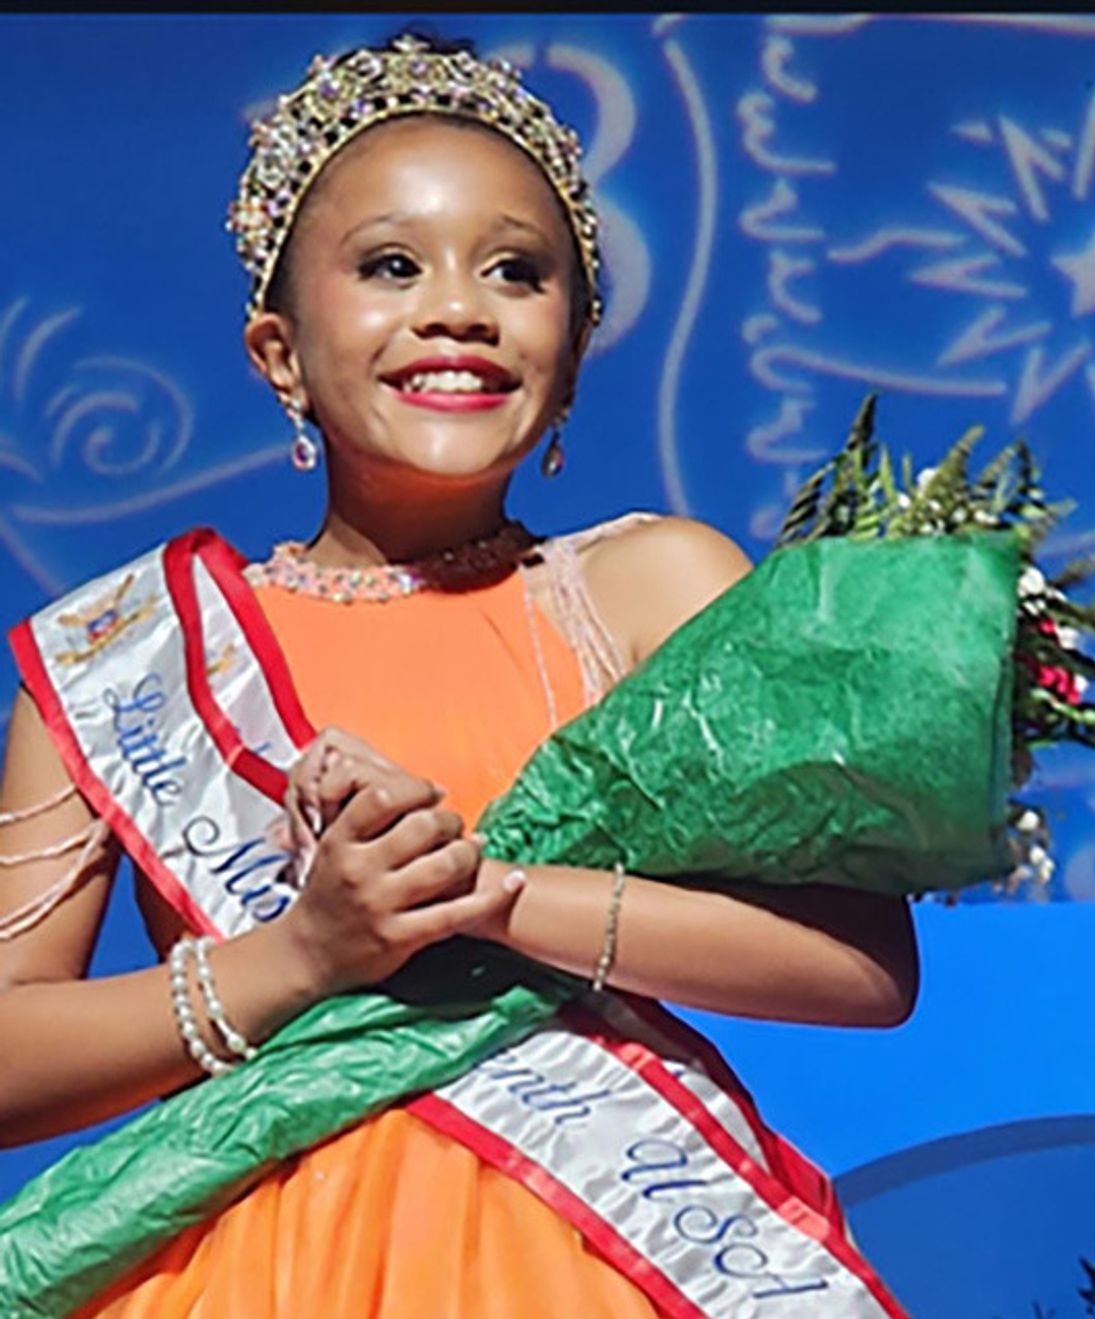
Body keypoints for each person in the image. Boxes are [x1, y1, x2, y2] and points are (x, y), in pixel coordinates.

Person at [0, 31, 918, 1318]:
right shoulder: (124, 650)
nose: (460, 309)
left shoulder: (657, 586)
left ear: (575, 346)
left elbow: (862, 966)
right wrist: (306, 953)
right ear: (277, 350)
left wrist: (487, 894)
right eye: (392, 265)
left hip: (600, 1249)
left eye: (517, 271)